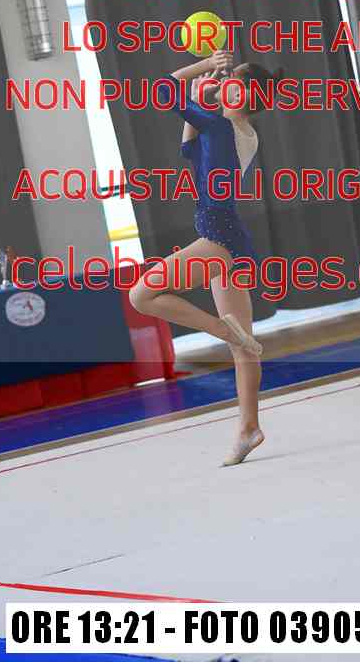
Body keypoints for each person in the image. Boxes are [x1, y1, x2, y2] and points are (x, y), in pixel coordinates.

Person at [129, 49, 283, 466]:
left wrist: (202, 68)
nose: (225, 81)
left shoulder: (220, 126)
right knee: (245, 346)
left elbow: (162, 89)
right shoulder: (241, 132)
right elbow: (189, 148)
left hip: (217, 238)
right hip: (231, 239)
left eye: (233, 80)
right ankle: (249, 429)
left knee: (141, 295)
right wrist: (199, 97)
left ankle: (222, 330)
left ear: (243, 95)